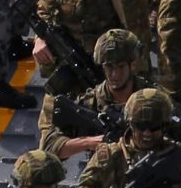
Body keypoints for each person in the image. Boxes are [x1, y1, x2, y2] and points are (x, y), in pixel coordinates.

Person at [36, 27, 157, 159]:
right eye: (109, 66)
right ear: (102, 67)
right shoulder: (90, 102)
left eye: (121, 66)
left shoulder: (153, 99)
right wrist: (92, 142)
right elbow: (49, 147)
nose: (115, 74)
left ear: (132, 65)